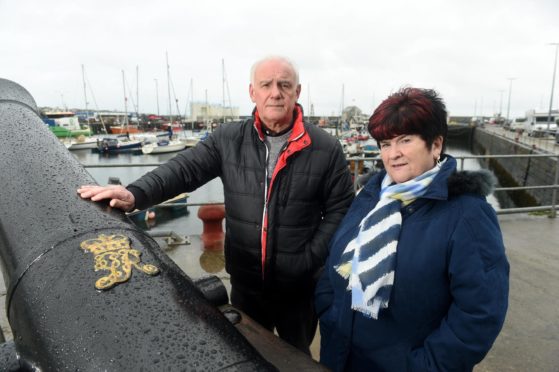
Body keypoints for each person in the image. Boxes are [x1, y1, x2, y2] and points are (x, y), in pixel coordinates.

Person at [78, 56, 354, 354]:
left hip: (299, 290)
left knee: (295, 355)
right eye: (266, 84)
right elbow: (183, 171)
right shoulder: (229, 139)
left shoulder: (325, 148)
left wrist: (307, 259)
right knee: (247, 353)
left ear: (297, 92)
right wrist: (135, 194)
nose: (275, 92)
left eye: (284, 85)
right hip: (247, 284)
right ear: (253, 92)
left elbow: (341, 210)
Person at [315, 87, 509, 371]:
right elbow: (335, 259)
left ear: (436, 144)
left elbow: (480, 313)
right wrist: (328, 311)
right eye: (385, 143)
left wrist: (424, 366)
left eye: (405, 140)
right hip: (341, 357)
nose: (394, 154)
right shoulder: (370, 197)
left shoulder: (467, 215)